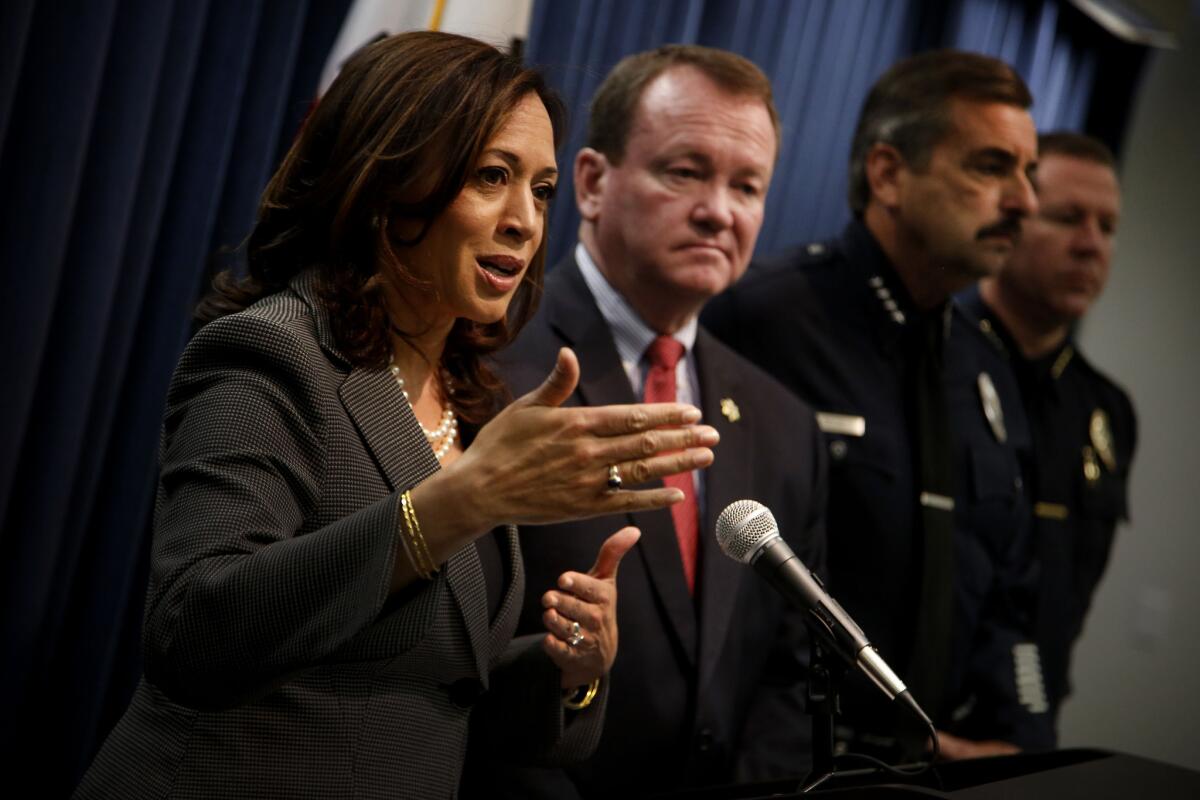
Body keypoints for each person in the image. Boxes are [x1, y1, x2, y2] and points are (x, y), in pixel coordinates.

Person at [74, 32, 720, 799]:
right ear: (385, 187)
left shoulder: (474, 401)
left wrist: (569, 667)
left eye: (541, 190)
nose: (525, 220)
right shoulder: (271, 355)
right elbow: (195, 634)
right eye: (491, 176)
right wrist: (459, 501)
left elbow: (435, 693)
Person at [463, 46, 827, 798]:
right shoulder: (484, 366)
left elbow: (792, 669)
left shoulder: (787, 425)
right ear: (593, 182)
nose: (719, 210)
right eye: (685, 171)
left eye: (747, 185)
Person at [704, 50, 1055, 758]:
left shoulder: (986, 368)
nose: (1025, 202)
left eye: (1028, 173)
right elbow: (713, 592)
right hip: (791, 766)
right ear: (888, 173)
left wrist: (1023, 739)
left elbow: (1011, 594)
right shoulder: (761, 321)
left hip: (949, 764)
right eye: (991, 167)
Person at [959, 132, 1136, 732]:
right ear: (1012, 219)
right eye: (1067, 219)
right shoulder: (936, 356)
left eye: (1107, 227)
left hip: (1027, 727)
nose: (1091, 245)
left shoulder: (1106, 412)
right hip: (918, 722)